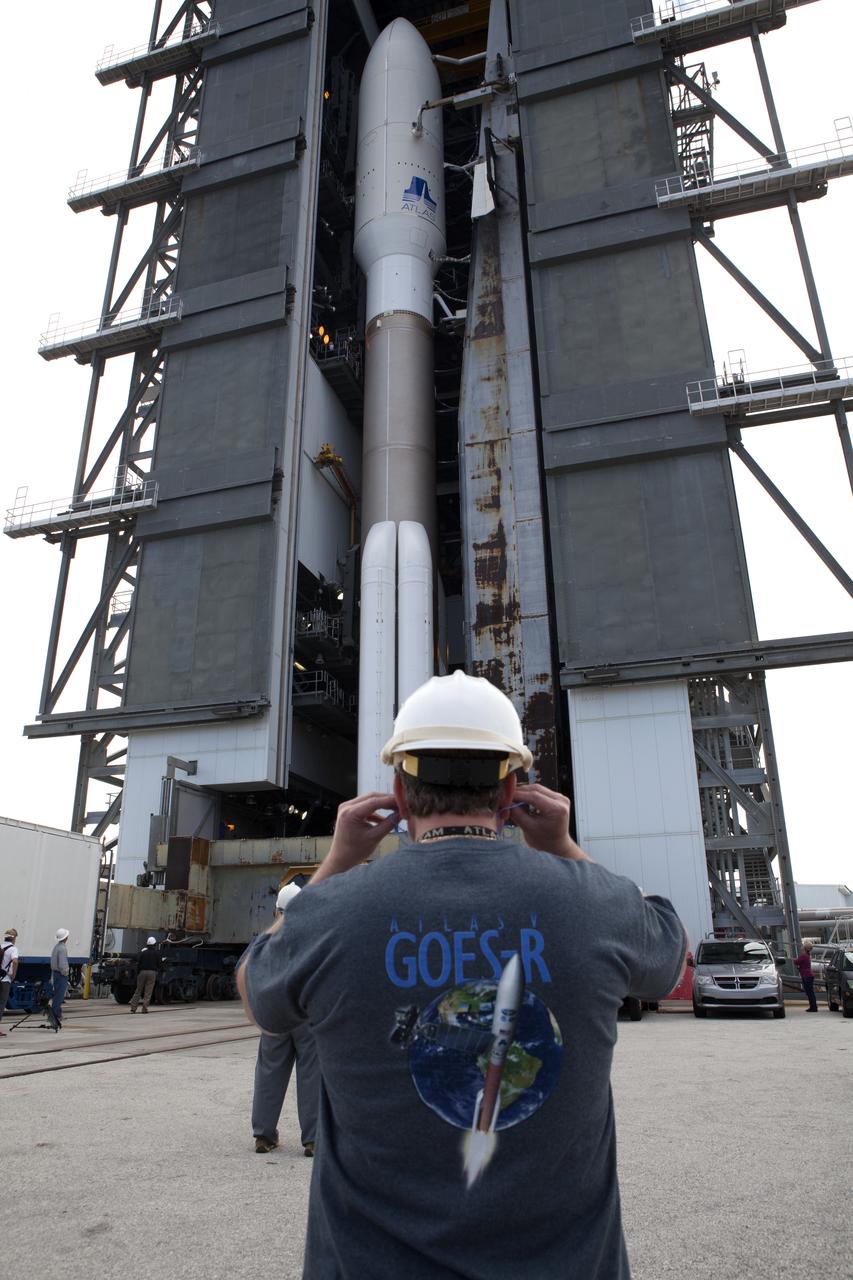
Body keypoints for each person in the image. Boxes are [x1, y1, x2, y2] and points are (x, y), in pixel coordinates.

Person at [239, 671, 687, 1279]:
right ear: (512, 789)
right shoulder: (594, 904)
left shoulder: (331, 913)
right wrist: (568, 851)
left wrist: (336, 863)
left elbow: (256, 992)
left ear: (399, 789)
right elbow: (668, 951)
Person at [251, 884, 319, 1157]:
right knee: (312, 1075)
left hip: (274, 1014)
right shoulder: (313, 937)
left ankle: (263, 1137)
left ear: (276, 909)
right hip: (306, 1015)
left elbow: (248, 971)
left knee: (269, 1073)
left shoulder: (265, 939)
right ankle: (313, 1140)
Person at [130, 937, 161, 1013]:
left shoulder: (143, 953)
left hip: (142, 972)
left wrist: (138, 973)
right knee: (148, 991)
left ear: (147, 944)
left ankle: (133, 1008)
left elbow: (138, 962)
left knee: (138, 990)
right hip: (152, 973)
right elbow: (159, 964)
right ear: (154, 944)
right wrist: (159, 970)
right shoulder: (156, 953)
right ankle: (144, 1008)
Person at [0, 928, 19, 1036]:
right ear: (14, 938)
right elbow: (15, 961)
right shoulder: (13, 949)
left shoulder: (1, 946)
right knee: (1, 1003)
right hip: (5, 980)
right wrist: (13, 974)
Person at [50, 928, 71, 1028]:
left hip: (55, 973)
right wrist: (66, 973)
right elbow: (63, 964)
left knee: (57, 995)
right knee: (59, 996)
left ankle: (58, 1013)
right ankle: (55, 1015)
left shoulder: (56, 947)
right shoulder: (63, 948)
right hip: (61, 974)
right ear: (66, 937)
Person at [795, 940, 818, 1012]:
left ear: (804, 948)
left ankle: (813, 1007)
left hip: (806, 975)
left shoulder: (803, 956)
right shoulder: (808, 955)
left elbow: (796, 962)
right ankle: (813, 1006)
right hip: (809, 974)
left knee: (809, 992)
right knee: (810, 992)